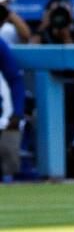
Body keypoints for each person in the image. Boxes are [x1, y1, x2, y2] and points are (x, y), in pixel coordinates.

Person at [0, 35, 26, 183]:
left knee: (9, 163)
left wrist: (17, 111)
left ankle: (8, 181)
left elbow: (15, 79)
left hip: (4, 114)